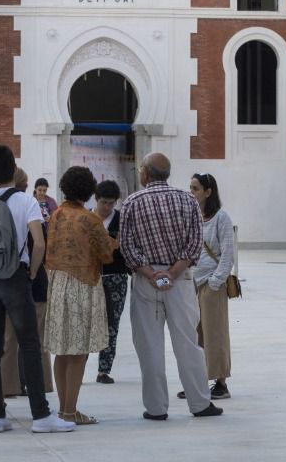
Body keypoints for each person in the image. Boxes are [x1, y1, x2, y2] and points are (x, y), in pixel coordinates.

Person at [0, 145, 75, 433]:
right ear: (13, 168)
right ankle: (41, 415)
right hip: (15, 277)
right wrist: (32, 271)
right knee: (29, 345)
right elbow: (39, 243)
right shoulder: (26, 201)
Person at [119, 152, 223, 420]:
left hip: (146, 282)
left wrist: (152, 274)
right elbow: (194, 243)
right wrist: (172, 273)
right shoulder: (188, 200)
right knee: (188, 343)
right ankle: (200, 404)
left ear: (145, 173)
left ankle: (156, 408)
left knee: (149, 346)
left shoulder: (132, 202)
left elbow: (127, 247)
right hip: (180, 281)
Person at [44, 166, 118, 424]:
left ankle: (64, 409)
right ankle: (69, 411)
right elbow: (106, 255)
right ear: (88, 191)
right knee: (78, 351)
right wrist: (114, 242)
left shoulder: (56, 214)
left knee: (62, 350)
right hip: (83, 284)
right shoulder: (90, 219)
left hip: (57, 282)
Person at [0, 168, 53, 397]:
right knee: (37, 336)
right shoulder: (30, 206)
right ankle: (41, 383)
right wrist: (32, 271)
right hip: (35, 279)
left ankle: (9, 385)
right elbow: (40, 244)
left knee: (9, 338)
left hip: (7, 276)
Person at [188, 173, 236, 400]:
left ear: (208, 192)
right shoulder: (192, 216)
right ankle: (199, 381)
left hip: (211, 284)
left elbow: (228, 254)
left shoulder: (221, 218)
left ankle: (221, 383)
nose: (191, 192)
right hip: (192, 282)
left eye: (195, 189)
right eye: (190, 188)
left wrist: (216, 282)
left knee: (215, 334)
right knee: (195, 335)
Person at [94, 180, 129, 384]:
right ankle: (78, 365)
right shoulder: (88, 218)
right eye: (104, 202)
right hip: (91, 276)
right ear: (96, 199)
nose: (107, 207)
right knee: (87, 321)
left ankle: (103, 370)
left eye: (111, 203)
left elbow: (128, 246)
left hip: (116, 275)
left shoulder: (122, 220)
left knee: (112, 323)